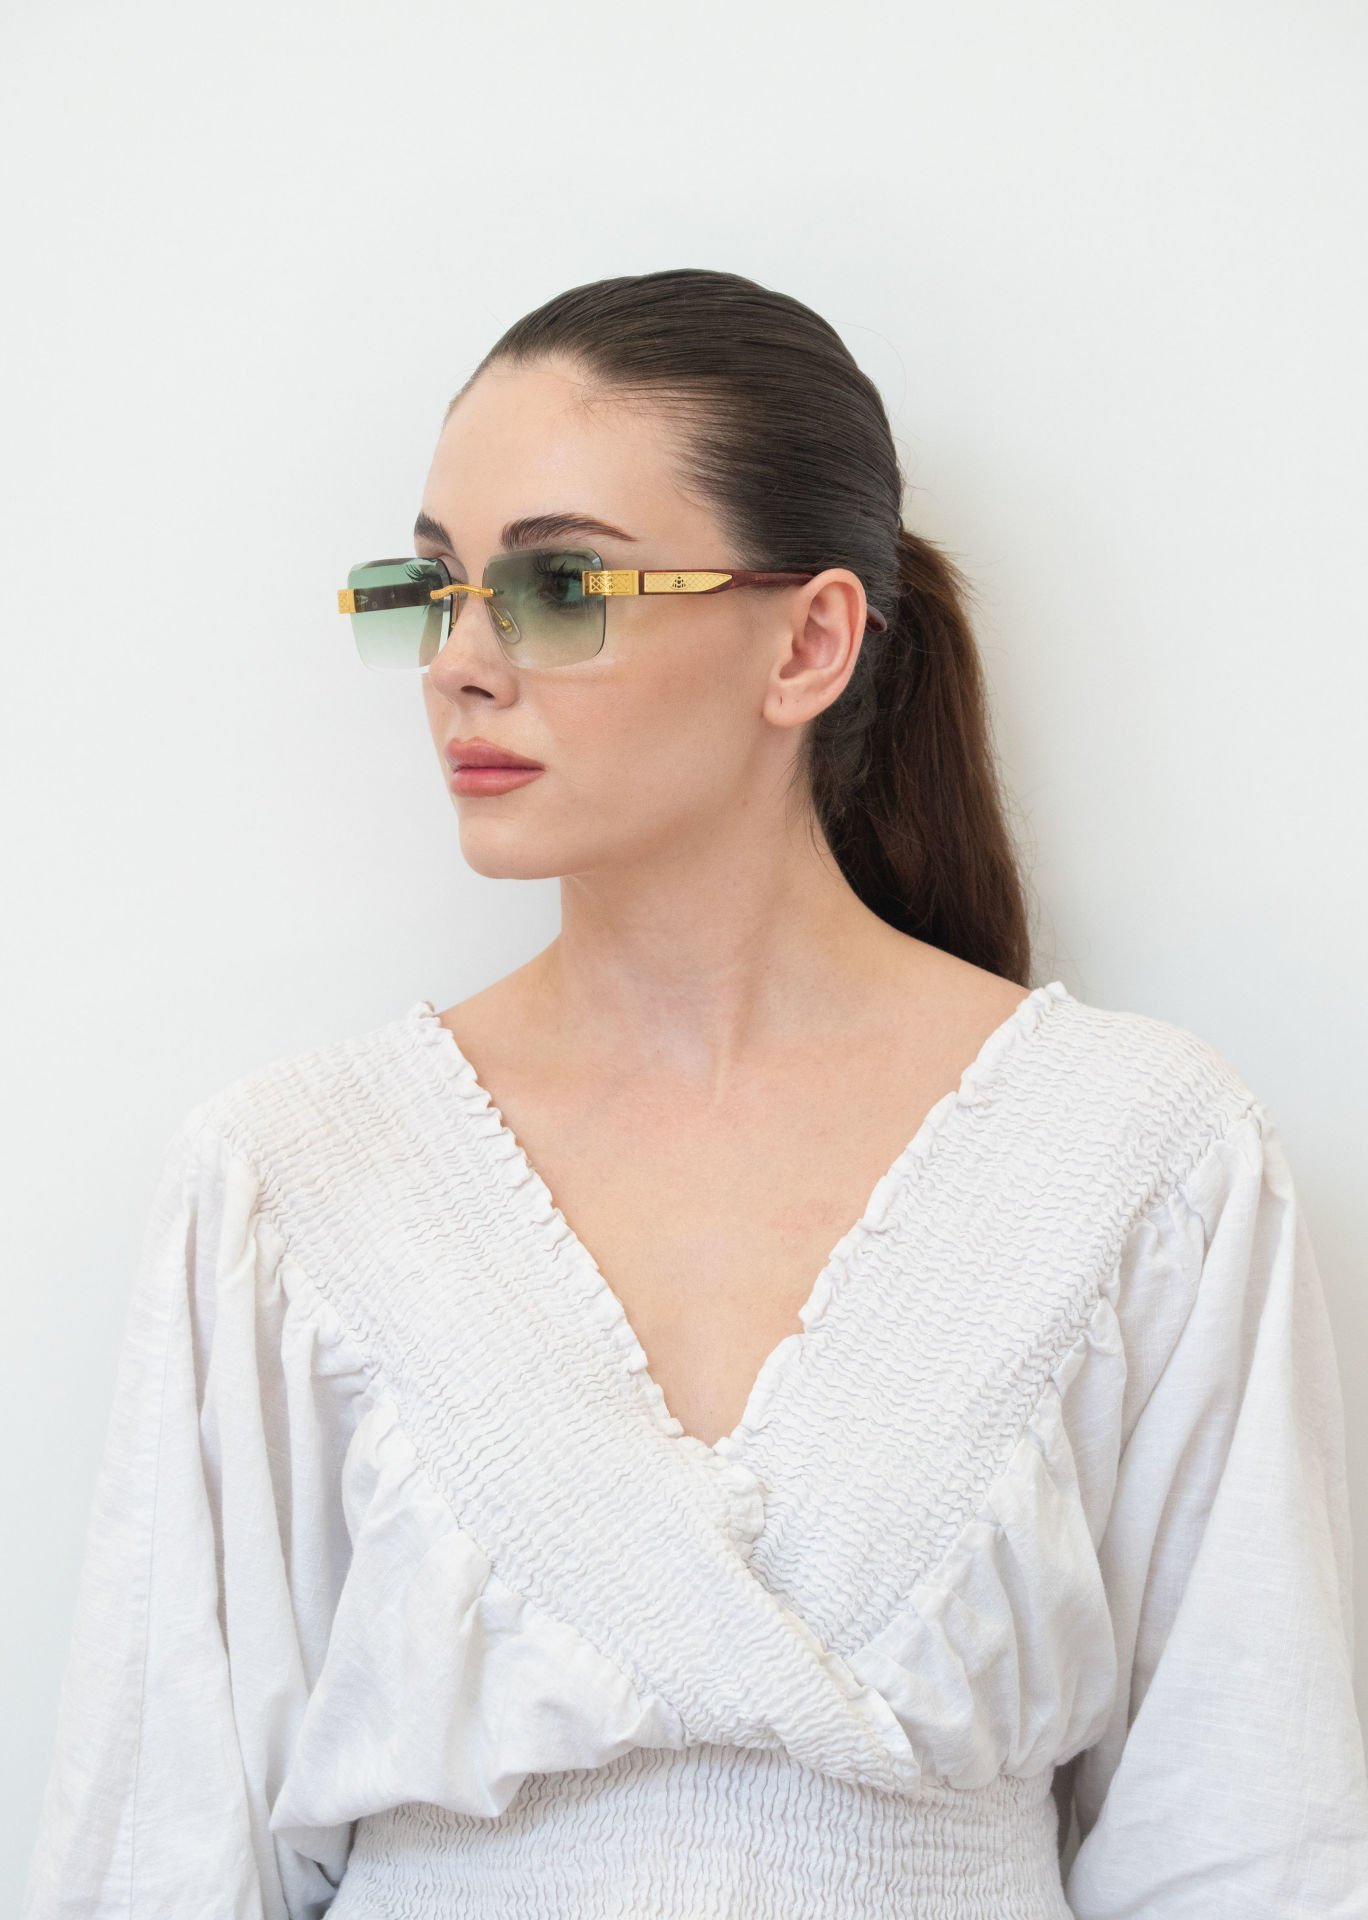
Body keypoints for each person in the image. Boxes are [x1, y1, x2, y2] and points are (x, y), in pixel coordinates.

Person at [21, 267, 1368, 1919]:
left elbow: (1246, 1840)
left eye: (558, 585)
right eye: (434, 588)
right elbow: (163, 1849)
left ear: (808, 642)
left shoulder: (1143, 1156)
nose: (460, 664)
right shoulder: (291, 1180)